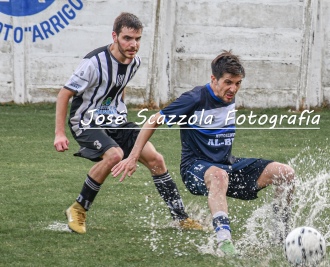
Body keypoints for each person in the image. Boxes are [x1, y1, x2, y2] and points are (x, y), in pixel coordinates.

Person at [111, 50, 295, 256]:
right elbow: (153, 120)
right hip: (195, 169)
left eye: (238, 83)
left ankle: (281, 235)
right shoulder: (194, 98)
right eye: (228, 82)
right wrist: (134, 156)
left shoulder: (227, 96)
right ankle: (225, 242)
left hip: (226, 165)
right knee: (218, 175)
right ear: (213, 79)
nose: (233, 89)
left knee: (286, 173)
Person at [53, 12, 202, 234]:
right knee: (114, 155)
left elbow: (118, 87)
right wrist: (59, 133)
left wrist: (118, 110)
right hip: (86, 122)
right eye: (127, 38)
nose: (133, 45)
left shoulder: (135, 62)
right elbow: (64, 94)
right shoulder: (94, 63)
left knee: (156, 160)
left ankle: (180, 218)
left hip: (116, 121)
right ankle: (78, 208)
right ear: (115, 36)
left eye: (138, 39)